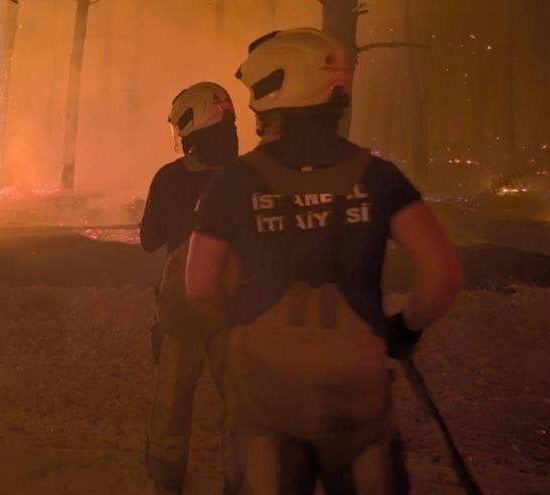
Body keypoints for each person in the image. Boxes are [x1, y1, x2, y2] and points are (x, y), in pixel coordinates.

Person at [184, 28, 464, 495]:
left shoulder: (234, 182)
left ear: (269, 93)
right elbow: (444, 276)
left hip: (265, 383)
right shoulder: (378, 177)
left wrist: (232, 328)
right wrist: (403, 330)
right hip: (357, 383)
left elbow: (198, 286)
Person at [140, 81, 241, 492]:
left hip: (182, 306)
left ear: (190, 127)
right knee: (242, 401)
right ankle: (244, 478)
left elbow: (149, 241)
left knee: (172, 399)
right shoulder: (250, 177)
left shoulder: (169, 178)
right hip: (237, 306)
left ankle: (166, 477)